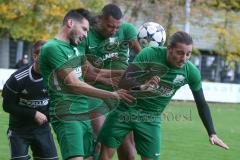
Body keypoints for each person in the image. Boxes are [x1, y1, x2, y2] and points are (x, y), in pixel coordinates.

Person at [98, 31, 229, 160]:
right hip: (124, 111)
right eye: (180, 53)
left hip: (151, 118)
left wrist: (212, 133)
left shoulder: (191, 72)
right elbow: (124, 82)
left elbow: (201, 103)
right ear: (169, 49)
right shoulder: (149, 53)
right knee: (104, 157)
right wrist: (143, 86)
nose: (184, 58)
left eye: (188, 54)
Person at [39, 8, 134, 160]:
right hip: (67, 114)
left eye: (87, 30)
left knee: (92, 156)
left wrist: (133, 73)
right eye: (84, 29)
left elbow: (97, 73)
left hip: (83, 113)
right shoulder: (52, 48)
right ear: (70, 23)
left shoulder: (74, 49)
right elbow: (74, 84)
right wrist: (111, 94)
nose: (85, 34)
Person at [77, 4, 141, 160]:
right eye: (110, 26)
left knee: (129, 154)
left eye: (117, 27)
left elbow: (142, 56)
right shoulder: (87, 35)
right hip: (96, 94)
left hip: (123, 96)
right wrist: (118, 74)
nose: (114, 30)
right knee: (99, 141)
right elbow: (88, 73)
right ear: (100, 20)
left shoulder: (127, 30)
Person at [2, 40, 58, 160]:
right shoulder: (18, 78)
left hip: (43, 130)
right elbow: (7, 105)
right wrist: (34, 114)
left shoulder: (55, 79)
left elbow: (55, 105)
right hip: (19, 131)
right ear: (35, 56)